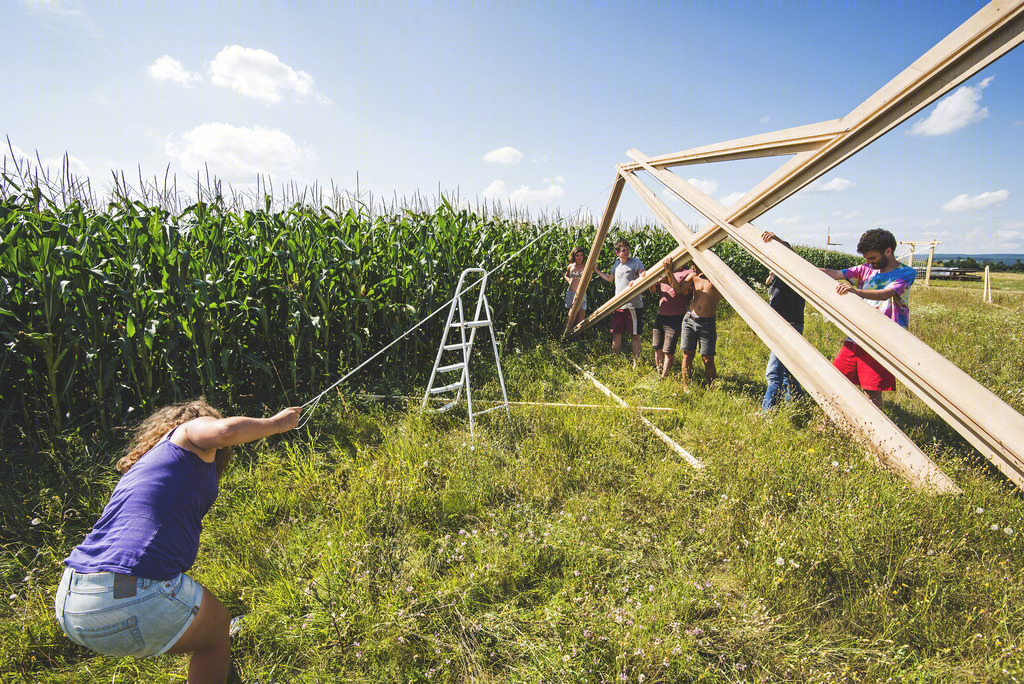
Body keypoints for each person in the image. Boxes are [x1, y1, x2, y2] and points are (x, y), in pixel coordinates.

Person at [54, 399, 301, 684]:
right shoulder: (186, 432)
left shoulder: (146, 464)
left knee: (201, 624)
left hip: (72, 599)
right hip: (128, 596)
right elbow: (224, 432)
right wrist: (276, 424)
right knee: (216, 630)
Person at [820, 228, 915, 408]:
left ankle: (872, 432)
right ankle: (832, 424)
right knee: (836, 379)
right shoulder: (866, 269)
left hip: (882, 339)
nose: (869, 262)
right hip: (856, 337)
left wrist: (856, 292)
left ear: (888, 251)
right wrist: (793, 263)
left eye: (872, 258)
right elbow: (835, 274)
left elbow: (885, 294)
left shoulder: (906, 273)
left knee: (871, 390)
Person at [760, 231, 806, 410]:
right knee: (788, 371)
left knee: (774, 373)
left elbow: (789, 252)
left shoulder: (792, 270)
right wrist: (772, 275)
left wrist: (777, 239)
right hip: (781, 323)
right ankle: (798, 404)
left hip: (789, 324)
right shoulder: (779, 274)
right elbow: (767, 283)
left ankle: (767, 411)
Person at [597, 239, 646, 367]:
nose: (626, 252)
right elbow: (610, 278)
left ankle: (636, 363)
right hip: (618, 305)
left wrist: (636, 282)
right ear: (617, 253)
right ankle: (615, 360)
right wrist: (596, 270)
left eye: (627, 249)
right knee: (616, 333)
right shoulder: (617, 264)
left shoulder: (636, 262)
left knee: (634, 334)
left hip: (633, 305)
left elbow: (643, 275)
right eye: (623, 250)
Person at [649, 256, 693, 378]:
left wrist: (667, 276)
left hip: (676, 317)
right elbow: (653, 289)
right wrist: (650, 281)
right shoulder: (665, 271)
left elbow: (680, 290)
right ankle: (659, 372)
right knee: (657, 347)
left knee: (668, 350)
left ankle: (664, 377)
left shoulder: (688, 273)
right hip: (661, 314)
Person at [680, 263, 723, 388]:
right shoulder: (693, 276)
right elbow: (680, 289)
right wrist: (669, 273)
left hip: (707, 322)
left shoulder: (717, 278)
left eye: (694, 265)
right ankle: (686, 386)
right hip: (690, 319)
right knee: (687, 355)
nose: (692, 268)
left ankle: (711, 387)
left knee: (708, 358)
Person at [563, 246, 606, 335]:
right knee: (571, 318)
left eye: (581, 255)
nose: (579, 257)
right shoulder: (571, 266)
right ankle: (568, 338)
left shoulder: (586, 266)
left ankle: (580, 339)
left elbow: (589, 279)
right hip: (570, 293)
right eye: (577, 255)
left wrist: (586, 275)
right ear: (574, 256)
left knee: (580, 319)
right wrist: (569, 280)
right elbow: (566, 275)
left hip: (581, 294)